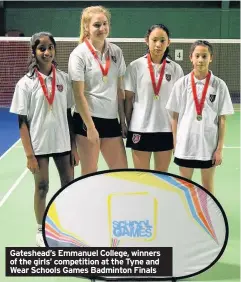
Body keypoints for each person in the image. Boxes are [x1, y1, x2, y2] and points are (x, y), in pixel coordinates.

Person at [10, 31, 79, 247]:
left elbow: (69, 115)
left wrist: (74, 147)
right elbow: (22, 123)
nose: (47, 52)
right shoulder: (25, 83)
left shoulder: (64, 79)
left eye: (50, 47)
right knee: (42, 187)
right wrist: (29, 155)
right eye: (42, 48)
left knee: (68, 185)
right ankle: (41, 229)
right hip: (38, 145)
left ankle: (66, 225)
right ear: (34, 52)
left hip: (63, 143)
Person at [166, 40, 234, 194]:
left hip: (208, 147)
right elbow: (174, 117)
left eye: (204, 56)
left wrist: (219, 149)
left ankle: (208, 218)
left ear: (211, 58)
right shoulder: (181, 84)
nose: (201, 60)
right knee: (184, 186)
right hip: (185, 145)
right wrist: (176, 144)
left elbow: (222, 120)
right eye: (197, 56)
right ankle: (185, 216)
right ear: (191, 57)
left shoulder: (219, 85)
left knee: (207, 187)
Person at [68, 5, 128, 176]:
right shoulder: (79, 54)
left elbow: (119, 90)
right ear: (86, 27)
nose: (102, 28)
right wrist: (91, 127)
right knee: (89, 174)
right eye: (96, 25)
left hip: (111, 121)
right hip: (88, 121)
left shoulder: (116, 52)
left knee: (122, 172)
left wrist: (122, 120)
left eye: (105, 24)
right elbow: (78, 95)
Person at [124, 24, 184, 171]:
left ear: (168, 42)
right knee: (142, 176)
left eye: (162, 40)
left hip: (166, 129)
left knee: (161, 178)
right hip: (140, 128)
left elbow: (179, 104)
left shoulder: (175, 69)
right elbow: (128, 99)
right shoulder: (135, 66)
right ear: (147, 40)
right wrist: (127, 123)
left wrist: (179, 131)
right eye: (154, 40)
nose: (158, 44)